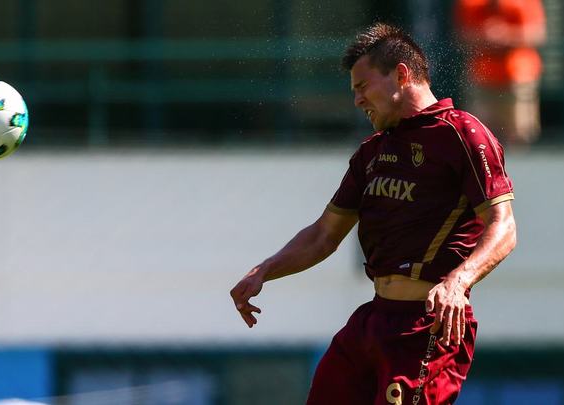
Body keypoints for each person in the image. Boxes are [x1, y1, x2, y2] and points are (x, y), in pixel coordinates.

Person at [230, 23, 517, 404]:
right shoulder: (372, 151)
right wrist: (265, 269)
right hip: (373, 321)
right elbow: (324, 235)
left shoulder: (462, 134)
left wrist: (458, 281)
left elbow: (504, 227)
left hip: (426, 327)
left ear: (401, 75)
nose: (357, 100)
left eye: (362, 87)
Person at [453, 0, 546, 147]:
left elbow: (536, 34)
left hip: (518, 77)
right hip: (481, 80)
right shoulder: (470, 3)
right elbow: (463, 36)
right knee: (479, 135)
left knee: (518, 135)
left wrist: (505, 35)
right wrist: (486, 37)